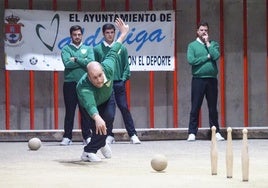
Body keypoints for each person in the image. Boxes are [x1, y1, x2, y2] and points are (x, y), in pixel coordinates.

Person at [77, 18, 131, 162]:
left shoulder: (108, 65)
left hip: (107, 96)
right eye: (95, 78)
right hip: (92, 102)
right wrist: (96, 117)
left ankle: (100, 143)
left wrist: (123, 33)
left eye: (100, 75)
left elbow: (115, 48)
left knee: (108, 119)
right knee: (99, 124)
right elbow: (90, 105)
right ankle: (88, 151)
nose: (99, 79)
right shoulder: (84, 87)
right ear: (89, 77)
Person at [93, 23, 141, 144]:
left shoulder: (122, 48)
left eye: (112, 32)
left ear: (115, 33)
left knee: (124, 108)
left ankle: (133, 134)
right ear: (103, 34)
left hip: (119, 83)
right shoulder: (97, 49)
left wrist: (123, 79)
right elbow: (95, 67)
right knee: (109, 112)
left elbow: (126, 66)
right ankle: (109, 135)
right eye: (107, 33)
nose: (110, 35)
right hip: (105, 85)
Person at [186, 21, 225, 142]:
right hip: (198, 80)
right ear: (197, 32)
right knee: (195, 106)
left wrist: (208, 44)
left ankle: (216, 131)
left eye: (206, 30)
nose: (204, 32)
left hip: (212, 80)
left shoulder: (213, 44)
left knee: (213, 107)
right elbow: (191, 61)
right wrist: (207, 57)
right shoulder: (192, 46)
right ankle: (192, 132)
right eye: (202, 30)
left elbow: (216, 56)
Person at [60, 25, 94, 146]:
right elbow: (67, 63)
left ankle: (87, 136)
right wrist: (82, 61)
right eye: (75, 35)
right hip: (69, 83)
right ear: (71, 36)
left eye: (79, 34)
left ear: (82, 35)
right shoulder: (66, 49)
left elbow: (90, 63)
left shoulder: (88, 48)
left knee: (85, 110)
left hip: (85, 83)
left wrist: (76, 59)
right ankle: (67, 137)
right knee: (70, 111)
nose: (77, 37)